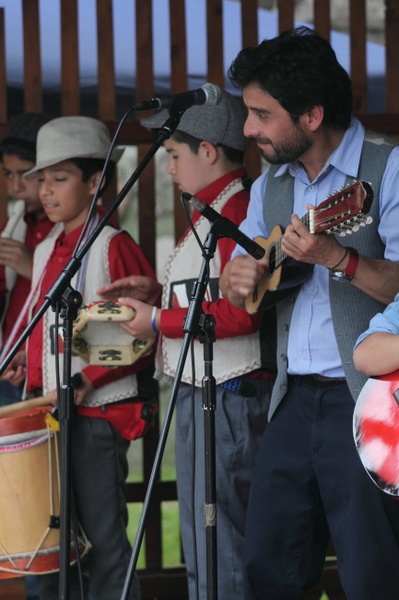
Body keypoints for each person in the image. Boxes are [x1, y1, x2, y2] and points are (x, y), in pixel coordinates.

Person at [219, 27, 399, 600]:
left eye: (261, 115)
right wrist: (239, 278)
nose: (248, 130)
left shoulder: (388, 167)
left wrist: (339, 258)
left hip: (368, 396)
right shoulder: (271, 185)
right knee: (270, 567)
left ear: (313, 115)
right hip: (293, 396)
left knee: (373, 571)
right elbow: (245, 277)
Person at [98, 90, 276, 600]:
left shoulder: (237, 209)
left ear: (208, 150)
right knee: (203, 547)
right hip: (210, 393)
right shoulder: (212, 211)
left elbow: (241, 313)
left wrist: (156, 319)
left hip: (230, 395)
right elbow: (211, 296)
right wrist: (155, 297)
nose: (169, 168)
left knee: (222, 549)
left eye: (174, 154)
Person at [3, 116, 158, 600]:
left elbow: (137, 337)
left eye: (60, 178)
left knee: (103, 545)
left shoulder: (113, 244)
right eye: (41, 179)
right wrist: (29, 364)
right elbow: (47, 326)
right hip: (50, 416)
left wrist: (85, 379)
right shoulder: (48, 245)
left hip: (95, 418)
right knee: (51, 547)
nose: (44, 191)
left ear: (97, 183)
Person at [0, 112, 54, 406]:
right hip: (9, 367)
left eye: (26, 173)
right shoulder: (15, 226)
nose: (15, 186)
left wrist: (32, 268)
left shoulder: (72, 229)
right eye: (9, 174)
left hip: (47, 375)